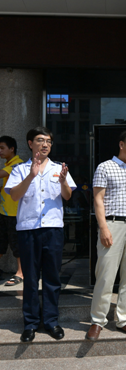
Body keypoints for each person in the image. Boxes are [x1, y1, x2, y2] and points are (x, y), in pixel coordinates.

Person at [5, 127, 76, 342]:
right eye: (40, 140)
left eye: (48, 141)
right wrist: (31, 175)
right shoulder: (19, 169)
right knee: (31, 278)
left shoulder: (59, 168)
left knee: (52, 278)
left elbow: (67, 196)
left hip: (53, 229)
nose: (45, 144)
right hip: (28, 231)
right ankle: (30, 323)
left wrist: (63, 181)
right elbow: (15, 195)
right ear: (30, 143)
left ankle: (52, 322)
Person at [86, 131, 126, 341]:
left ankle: (124, 319)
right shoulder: (105, 167)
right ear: (121, 144)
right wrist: (103, 227)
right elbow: (98, 199)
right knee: (105, 274)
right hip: (111, 224)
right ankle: (98, 320)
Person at [0, 135, 24, 285]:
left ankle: (21, 273)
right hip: (3, 211)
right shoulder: (8, 164)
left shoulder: (18, 165)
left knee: (17, 245)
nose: (0, 151)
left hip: (15, 213)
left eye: (2, 148)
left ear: (12, 149)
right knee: (1, 243)